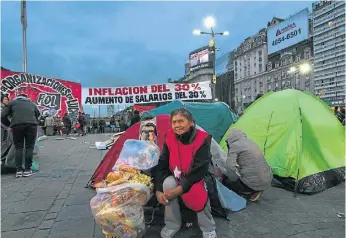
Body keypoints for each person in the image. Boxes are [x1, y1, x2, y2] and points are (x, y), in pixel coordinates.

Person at [154, 108, 217, 238]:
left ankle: (208, 227)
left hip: (197, 176)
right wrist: (158, 189)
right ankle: (172, 224)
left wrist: (181, 188)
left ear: (191, 122)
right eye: (174, 122)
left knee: (197, 189)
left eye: (181, 121)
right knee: (167, 184)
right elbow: (162, 163)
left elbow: (199, 168)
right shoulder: (169, 136)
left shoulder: (203, 138)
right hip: (177, 174)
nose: (177, 125)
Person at [223, 128, 273, 202]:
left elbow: (229, 167)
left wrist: (234, 179)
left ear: (230, 139)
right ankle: (257, 188)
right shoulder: (251, 142)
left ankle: (250, 191)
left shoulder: (234, 146)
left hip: (255, 182)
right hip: (268, 179)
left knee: (226, 181)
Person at [1, 94, 40, 178]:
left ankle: (18, 170)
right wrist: (34, 122)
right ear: (26, 98)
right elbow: (38, 114)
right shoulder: (32, 104)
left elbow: (2, 116)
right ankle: (27, 170)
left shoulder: (12, 103)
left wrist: (9, 126)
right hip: (31, 126)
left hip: (17, 126)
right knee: (29, 147)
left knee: (18, 147)